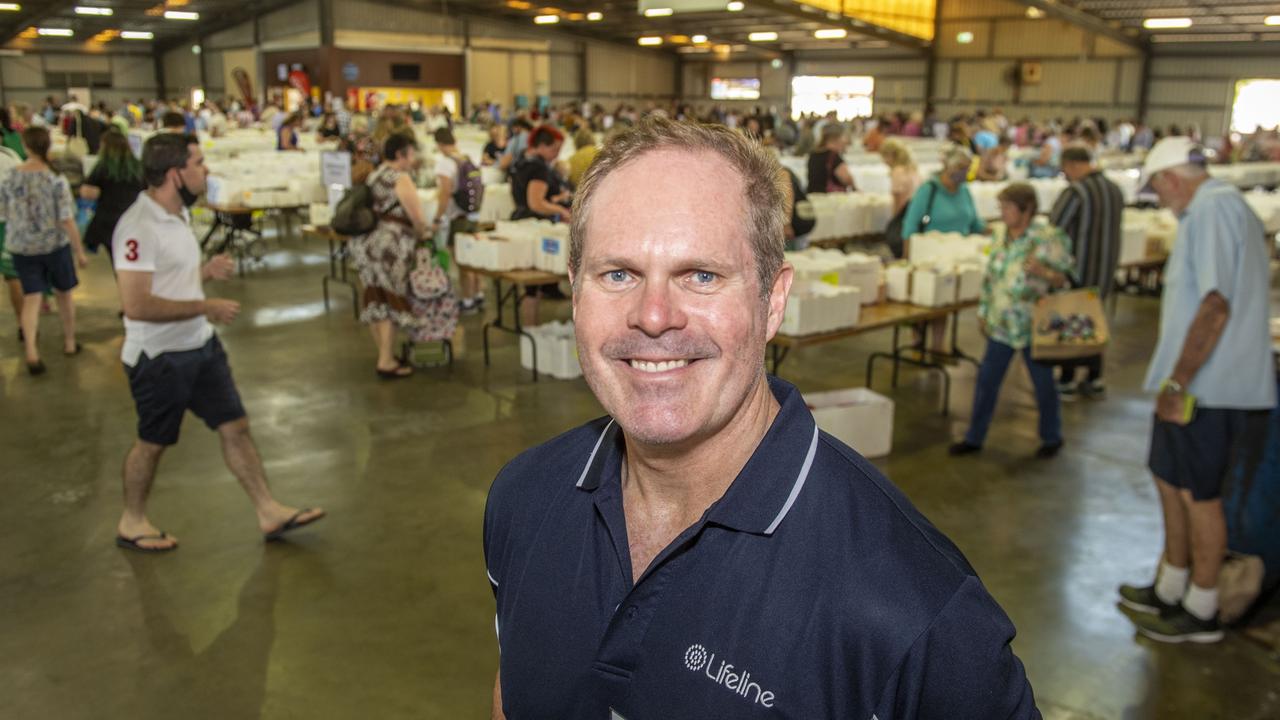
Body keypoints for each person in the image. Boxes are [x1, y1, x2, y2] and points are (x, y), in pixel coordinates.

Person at [484, 116, 1040, 719]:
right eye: (617, 274)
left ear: (773, 301)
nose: (652, 315)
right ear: (574, 291)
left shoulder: (915, 611)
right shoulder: (523, 500)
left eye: (701, 276)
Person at [110, 133, 325, 553]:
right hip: (160, 358)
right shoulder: (138, 227)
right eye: (199, 163)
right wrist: (204, 305)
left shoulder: (177, 215)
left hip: (200, 347)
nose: (206, 170)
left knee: (236, 427)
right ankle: (132, 520)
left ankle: (268, 510)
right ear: (176, 174)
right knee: (152, 444)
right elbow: (135, 305)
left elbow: (167, 280)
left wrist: (204, 271)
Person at [1119, 138, 1275, 644]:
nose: (1160, 200)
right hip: (1192, 384)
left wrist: (1178, 381)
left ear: (1171, 179)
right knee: (1169, 479)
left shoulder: (1213, 211)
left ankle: (1202, 609)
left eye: (1158, 189)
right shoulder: (1212, 212)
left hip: (1208, 388)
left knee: (1199, 496)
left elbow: (1214, 306)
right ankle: (1172, 585)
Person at [950, 183, 1074, 459]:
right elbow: (991, 279)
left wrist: (1044, 272)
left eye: (1007, 207)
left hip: (1034, 326)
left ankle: (1051, 436)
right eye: (1001, 207)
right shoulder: (999, 236)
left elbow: (1065, 278)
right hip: (1001, 325)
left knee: (1043, 385)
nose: (1002, 213)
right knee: (986, 383)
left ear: (1027, 209)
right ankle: (974, 437)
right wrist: (983, 311)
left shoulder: (1047, 238)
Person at [0, 127, 87, 375]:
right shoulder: (55, 178)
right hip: (53, 246)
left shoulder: (10, 177)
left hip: (22, 247)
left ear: (26, 147)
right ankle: (70, 342)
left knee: (32, 299)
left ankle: (31, 352)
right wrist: (79, 251)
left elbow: (3, 212)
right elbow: (66, 218)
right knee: (64, 295)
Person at [1047, 145, 1124, 400]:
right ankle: (1094, 377)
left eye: (1065, 169)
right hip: (1104, 270)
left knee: (1072, 322)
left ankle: (1067, 379)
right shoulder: (1114, 190)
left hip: (1077, 272)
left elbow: (1055, 229)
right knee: (1094, 321)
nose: (1065, 175)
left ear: (1074, 165)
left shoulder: (1076, 192)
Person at [352, 131, 430, 379]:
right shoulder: (400, 177)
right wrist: (424, 234)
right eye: (410, 153)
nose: (412, 158)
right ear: (401, 154)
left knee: (375, 298)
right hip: (390, 245)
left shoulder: (374, 174)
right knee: (392, 299)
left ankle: (384, 354)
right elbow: (416, 216)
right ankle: (386, 360)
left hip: (366, 243)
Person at [431, 127, 483, 313]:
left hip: (456, 217)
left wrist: (437, 218)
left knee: (461, 260)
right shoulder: (466, 158)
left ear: (438, 143)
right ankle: (478, 294)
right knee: (472, 258)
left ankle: (467, 300)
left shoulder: (445, 163)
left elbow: (444, 193)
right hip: (472, 215)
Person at [80, 129, 145, 263]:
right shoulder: (138, 166)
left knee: (116, 258)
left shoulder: (103, 166)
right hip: (135, 218)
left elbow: (86, 192)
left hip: (108, 221)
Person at [510, 125, 571, 222]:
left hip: (521, 218)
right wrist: (562, 211)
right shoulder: (539, 167)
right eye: (555, 150)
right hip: (535, 221)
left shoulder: (521, 158)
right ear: (542, 145)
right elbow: (536, 204)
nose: (557, 155)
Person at [806, 122, 855, 194]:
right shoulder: (833, 157)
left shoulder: (813, 154)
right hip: (829, 198)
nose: (845, 141)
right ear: (836, 138)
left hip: (813, 195)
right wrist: (855, 188)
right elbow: (847, 179)